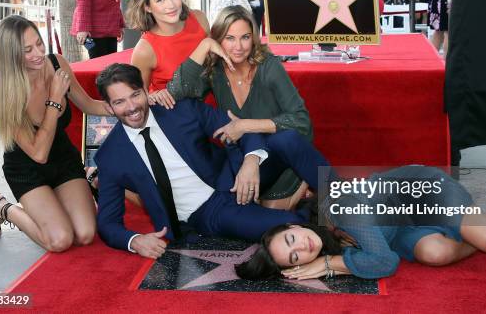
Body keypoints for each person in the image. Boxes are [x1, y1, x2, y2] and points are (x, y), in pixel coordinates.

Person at [93, 63, 330, 258]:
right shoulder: (110, 156)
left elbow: (236, 128)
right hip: (208, 211)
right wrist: (135, 241)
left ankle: (344, 202)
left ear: (145, 90)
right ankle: (320, 224)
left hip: (232, 175)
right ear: (108, 107)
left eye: (135, 95)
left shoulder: (179, 109)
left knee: (288, 140)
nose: (132, 107)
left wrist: (250, 161)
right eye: (119, 102)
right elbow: (108, 223)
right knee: (292, 226)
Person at [236, 170, 486, 280]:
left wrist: (329, 264)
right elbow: (382, 253)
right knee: (436, 253)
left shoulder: (340, 213)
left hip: (425, 193)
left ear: (294, 227)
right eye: (294, 258)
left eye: (292, 241)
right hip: (399, 227)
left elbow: (385, 262)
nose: (301, 249)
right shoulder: (327, 231)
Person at [156, 5, 311, 211]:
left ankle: (303, 182)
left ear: (253, 38)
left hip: (280, 155)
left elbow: (301, 121)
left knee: (269, 219)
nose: (238, 46)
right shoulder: (216, 71)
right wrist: (204, 45)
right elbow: (176, 94)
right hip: (240, 157)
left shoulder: (269, 66)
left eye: (245, 37)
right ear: (218, 39)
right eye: (229, 38)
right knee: (232, 212)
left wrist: (245, 125)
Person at [0, 15, 111, 252]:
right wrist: (54, 100)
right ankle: (1, 206)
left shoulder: (57, 64)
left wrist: (130, 106)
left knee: (85, 234)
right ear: (10, 55)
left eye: (39, 43)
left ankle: (73, 192)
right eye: (27, 49)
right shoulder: (2, 93)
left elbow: (90, 105)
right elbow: (38, 154)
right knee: (59, 240)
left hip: (64, 160)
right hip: (27, 168)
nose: (38, 53)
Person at [127, 0, 209, 95]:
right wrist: (154, 96)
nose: (171, 5)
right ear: (147, 7)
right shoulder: (144, 50)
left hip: (218, 110)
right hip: (179, 113)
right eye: (160, 0)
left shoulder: (199, 18)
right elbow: (138, 97)